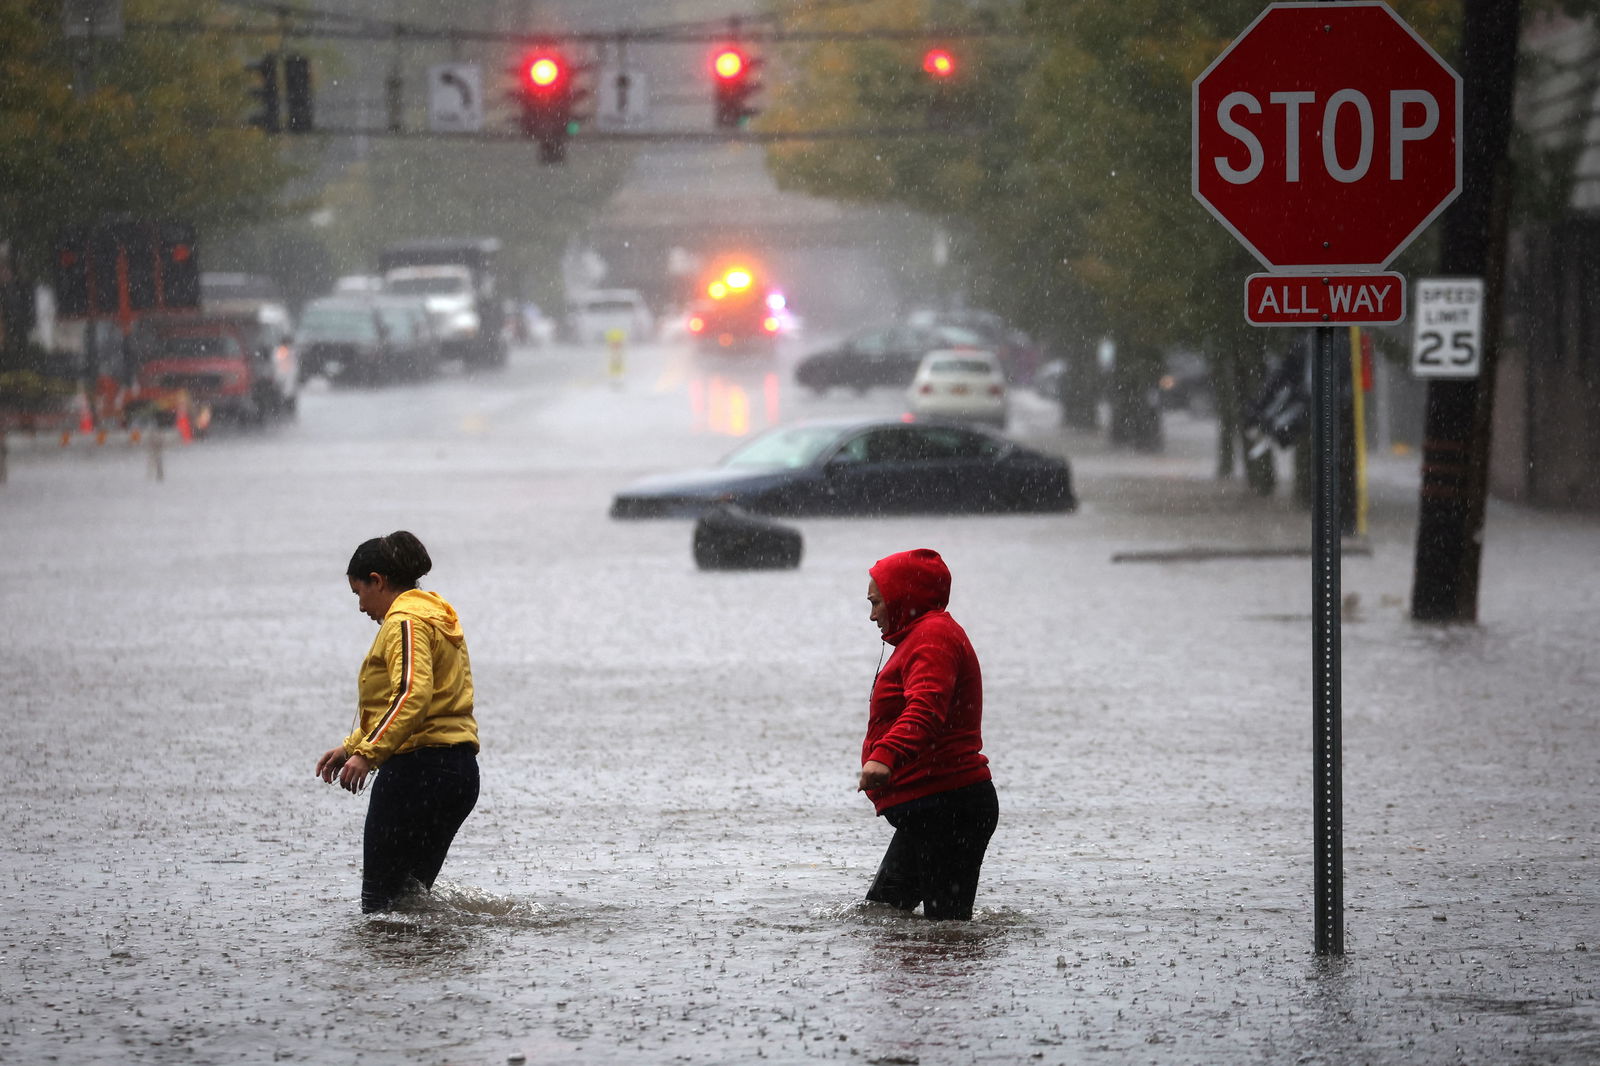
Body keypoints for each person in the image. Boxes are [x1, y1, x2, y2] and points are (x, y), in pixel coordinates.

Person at [315, 531, 480, 913]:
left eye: (359, 593)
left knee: (379, 906)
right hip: (457, 774)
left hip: (417, 773)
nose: (360, 607)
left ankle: (390, 973)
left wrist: (368, 755)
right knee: (409, 903)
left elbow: (411, 695)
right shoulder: (437, 615)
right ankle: (432, 968)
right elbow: (426, 701)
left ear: (378, 580)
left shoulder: (405, 622)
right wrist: (351, 746)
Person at [857, 548, 998, 921]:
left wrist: (885, 755)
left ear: (903, 596)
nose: (872, 615)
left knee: (947, 932)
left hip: (949, 805)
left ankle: (955, 981)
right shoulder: (922, 637)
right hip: (933, 808)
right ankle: (914, 981)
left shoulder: (933, 637)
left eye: (876, 603)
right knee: (882, 918)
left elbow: (926, 708)